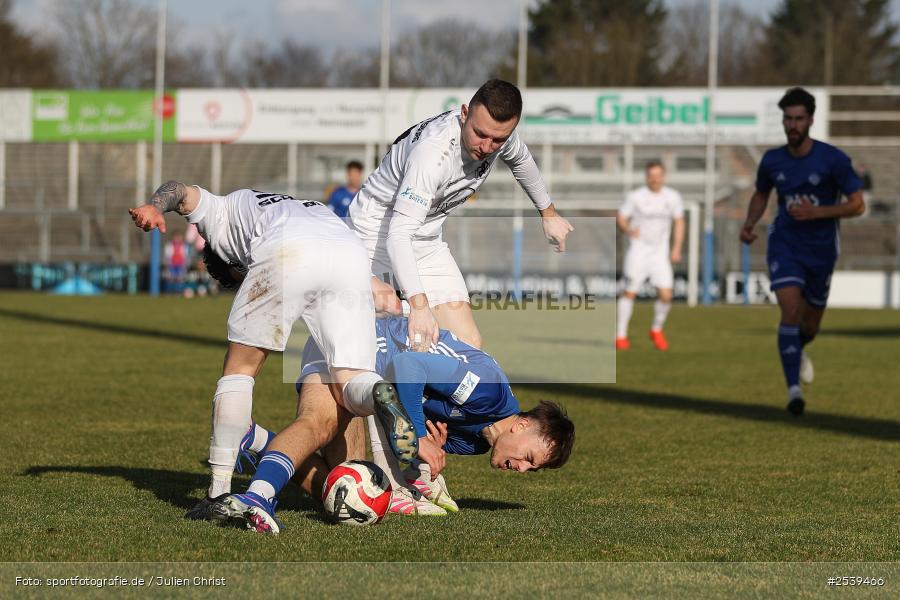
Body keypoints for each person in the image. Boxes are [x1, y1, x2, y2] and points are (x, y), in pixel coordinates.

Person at [128, 182, 426, 520]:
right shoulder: (271, 204)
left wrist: (154, 205)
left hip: (289, 249)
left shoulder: (216, 216)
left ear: (229, 262)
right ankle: (377, 393)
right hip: (348, 249)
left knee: (239, 370)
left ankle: (218, 494)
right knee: (350, 380)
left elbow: (178, 190)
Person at [209, 315, 575, 534]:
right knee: (332, 449)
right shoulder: (488, 393)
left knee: (341, 493)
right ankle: (257, 493)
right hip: (361, 345)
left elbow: (403, 419)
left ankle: (257, 440)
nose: (522, 468)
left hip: (363, 369)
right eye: (528, 456)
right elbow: (408, 367)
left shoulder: (477, 443)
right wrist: (418, 438)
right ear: (521, 424)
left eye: (532, 468)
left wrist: (421, 461)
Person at [739, 87, 865, 416]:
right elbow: (761, 193)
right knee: (790, 311)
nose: (792, 125)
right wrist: (750, 222)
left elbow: (857, 205)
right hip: (785, 244)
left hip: (821, 251)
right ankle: (794, 391)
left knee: (809, 327)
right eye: (787, 119)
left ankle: (797, 350)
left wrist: (818, 212)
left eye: (798, 119)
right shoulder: (772, 160)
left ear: (810, 120)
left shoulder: (832, 159)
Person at [615, 161, 685, 351]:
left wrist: (676, 248)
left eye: (658, 175)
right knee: (629, 292)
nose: (654, 179)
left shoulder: (672, 197)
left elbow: (679, 222)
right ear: (646, 177)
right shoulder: (636, 197)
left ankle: (656, 329)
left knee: (666, 295)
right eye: (651, 175)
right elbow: (621, 217)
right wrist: (628, 229)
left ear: (664, 176)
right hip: (638, 251)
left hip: (659, 254)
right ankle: (620, 336)